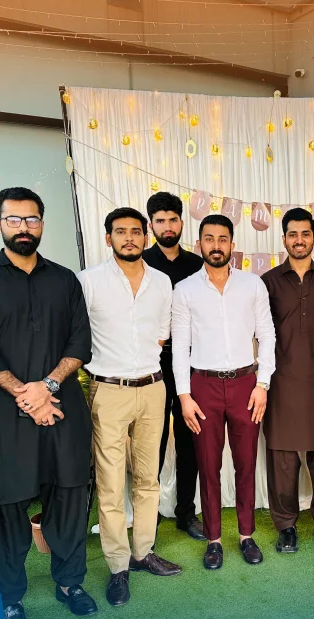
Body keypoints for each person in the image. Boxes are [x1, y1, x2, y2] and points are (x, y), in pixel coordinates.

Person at [0, 187, 97, 619]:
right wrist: (26, 393)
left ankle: (70, 582)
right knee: (4, 504)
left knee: (71, 494)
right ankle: (8, 598)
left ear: (42, 223)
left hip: (62, 408)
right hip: (3, 413)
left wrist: (47, 386)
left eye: (32, 219)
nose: (24, 227)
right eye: (14, 219)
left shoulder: (65, 280)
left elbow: (80, 341)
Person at [78, 207, 181, 608]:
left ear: (146, 236)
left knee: (148, 477)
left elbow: (162, 334)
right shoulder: (89, 281)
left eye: (136, 231)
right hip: (108, 390)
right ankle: (118, 565)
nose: (129, 238)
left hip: (153, 388)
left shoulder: (161, 281)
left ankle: (143, 552)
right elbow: (77, 332)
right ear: (108, 238)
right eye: (120, 232)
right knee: (109, 482)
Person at [172, 214, 275, 570]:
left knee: (246, 463)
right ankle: (213, 539)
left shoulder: (252, 285)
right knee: (208, 465)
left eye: (222, 239)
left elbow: (267, 335)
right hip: (203, 386)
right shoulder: (185, 289)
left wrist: (263, 383)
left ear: (232, 244)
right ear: (199, 243)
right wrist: (184, 395)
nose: (216, 246)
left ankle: (246, 535)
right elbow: (179, 345)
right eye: (209, 238)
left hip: (247, 383)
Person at [262, 207, 314, 553]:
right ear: (283, 239)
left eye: (305, 234)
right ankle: (286, 527)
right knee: (281, 456)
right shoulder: (267, 282)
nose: (299, 240)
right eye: (293, 234)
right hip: (279, 381)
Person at [141, 192, 206, 540]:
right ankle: (147, 515)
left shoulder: (197, 264)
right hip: (149, 367)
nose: (167, 226)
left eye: (173, 220)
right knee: (152, 442)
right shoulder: (140, 262)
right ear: (151, 225)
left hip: (191, 366)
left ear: (182, 222)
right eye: (160, 220)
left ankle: (186, 513)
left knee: (189, 442)